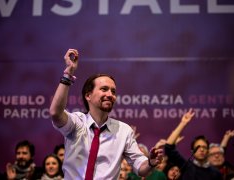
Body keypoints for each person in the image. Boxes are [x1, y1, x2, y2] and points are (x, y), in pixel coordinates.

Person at [49, 48, 163, 180]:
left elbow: (141, 168)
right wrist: (68, 74)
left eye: (113, 91)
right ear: (88, 95)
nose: (110, 95)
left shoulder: (123, 130)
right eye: (104, 89)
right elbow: (55, 113)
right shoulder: (76, 122)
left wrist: (150, 163)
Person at [164, 109, 223, 180]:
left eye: (204, 147)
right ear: (192, 151)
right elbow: (168, 147)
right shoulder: (186, 166)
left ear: (208, 151)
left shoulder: (216, 173)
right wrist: (183, 123)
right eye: (198, 147)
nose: (201, 149)